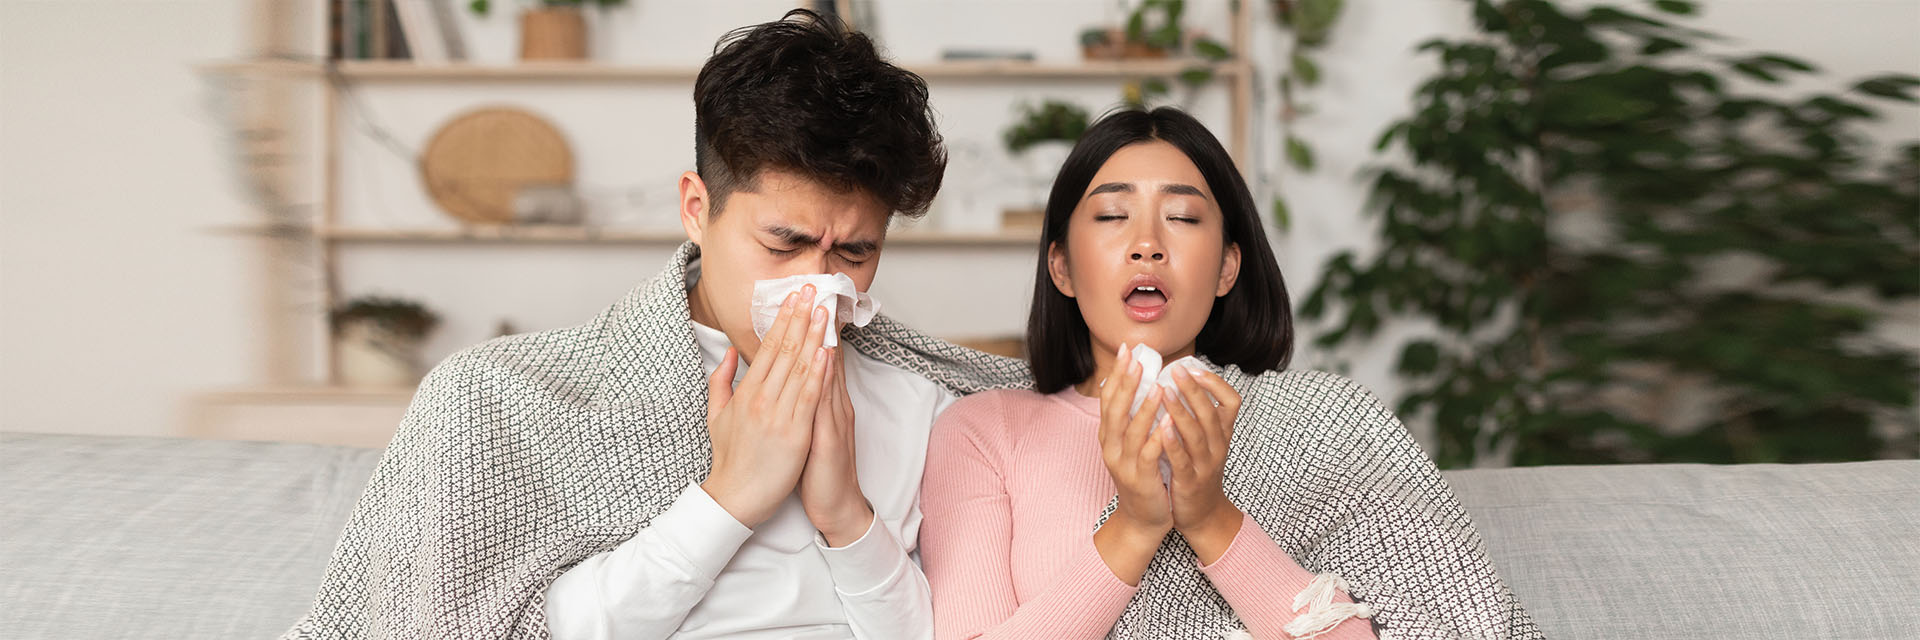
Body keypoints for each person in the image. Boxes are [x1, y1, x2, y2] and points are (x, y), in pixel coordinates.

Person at [280, 10, 1026, 639]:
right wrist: (729, 497)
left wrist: (849, 518)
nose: (817, 284)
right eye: (783, 243)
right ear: (696, 210)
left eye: (856, 252)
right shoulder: (505, 400)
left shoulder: (929, 405)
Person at [918, 107, 1543, 639]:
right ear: (1062, 268)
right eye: (1112, 217)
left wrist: (1212, 517)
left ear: (1226, 268)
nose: (1147, 244)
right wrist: (1134, 526)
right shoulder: (983, 431)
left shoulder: (1322, 420)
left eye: (1184, 219)